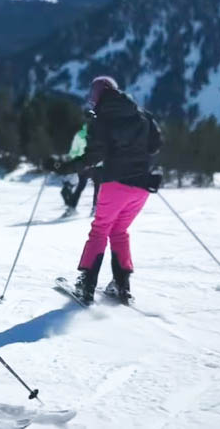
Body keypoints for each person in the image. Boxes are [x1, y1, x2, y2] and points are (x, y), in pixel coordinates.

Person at [58, 77, 162, 305]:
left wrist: (65, 166)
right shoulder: (143, 115)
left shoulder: (103, 120)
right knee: (120, 231)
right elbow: (155, 145)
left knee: (100, 231)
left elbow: (94, 155)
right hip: (143, 186)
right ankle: (122, 287)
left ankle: (86, 287)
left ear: (96, 96)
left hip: (116, 183)